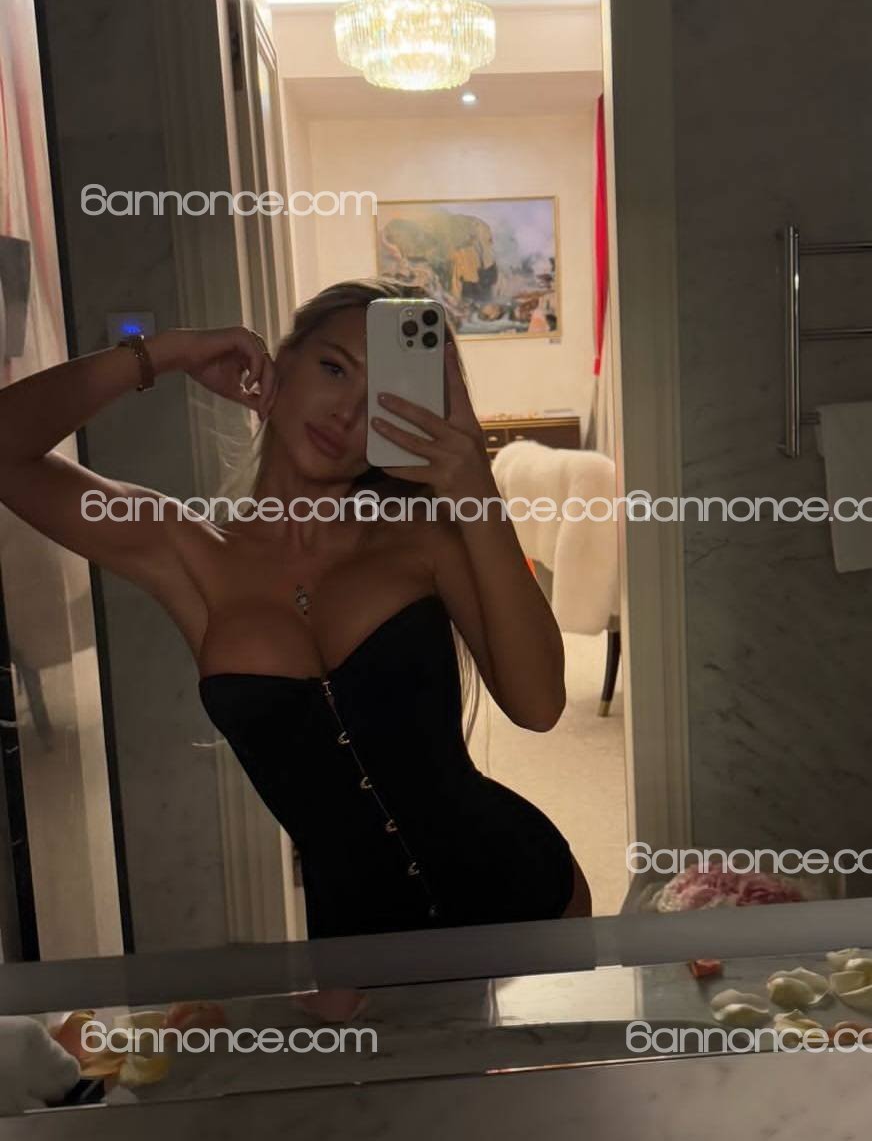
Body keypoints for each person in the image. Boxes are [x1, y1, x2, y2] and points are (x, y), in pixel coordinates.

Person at [0, 277, 591, 937]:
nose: (347, 412)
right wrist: (165, 353)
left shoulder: (424, 538)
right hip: (356, 952)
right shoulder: (186, 551)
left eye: (382, 400)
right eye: (334, 369)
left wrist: (474, 486)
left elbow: (538, 705)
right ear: (280, 360)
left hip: (528, 904)